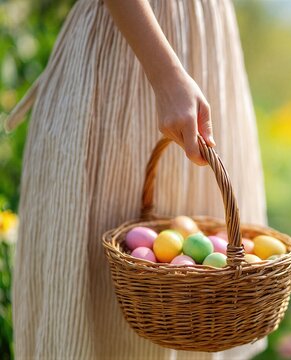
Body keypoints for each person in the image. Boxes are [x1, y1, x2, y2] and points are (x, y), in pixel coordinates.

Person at [4, 0, 267, 358]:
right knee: (96, 316)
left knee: (197, 310)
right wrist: (166, 75)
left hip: (205, 40)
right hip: (133, 53)